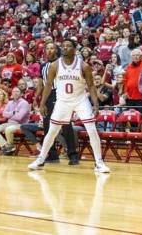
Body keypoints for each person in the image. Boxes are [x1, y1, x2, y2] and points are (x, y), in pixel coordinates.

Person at [29, 38, 111, 173]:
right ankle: (41, 159)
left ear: (74, 49)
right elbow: (48, 85)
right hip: (62, 101)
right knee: (52, 131)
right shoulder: (55, 65)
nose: (65, 48)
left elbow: (91, 85)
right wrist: (42, 103)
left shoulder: (83, 66)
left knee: (91, 128)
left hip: (80, 100)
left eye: (68, 46)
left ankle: (99, 163)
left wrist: (96, 104)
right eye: (64, 46)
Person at [34, 42, 79, 164]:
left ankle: (73, 155)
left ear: (56, 50)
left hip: (60, 94)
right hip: (47, 95)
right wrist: (36, 98)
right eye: (47, 48)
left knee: (65, 125)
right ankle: (52, 155)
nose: (49, 50)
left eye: (51, 48)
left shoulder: (62, 63)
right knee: (47, 126)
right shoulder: (43, 66)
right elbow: (41, 84)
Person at [0, 87, 30, 155]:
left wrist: (9, 114)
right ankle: (7, 146)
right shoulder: (10, 102)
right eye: (13, 92)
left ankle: (9, 147)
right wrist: (14, 112)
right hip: (9, 123)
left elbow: (19, 117)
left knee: (8, 129)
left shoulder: (24, 103)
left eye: (17, 91)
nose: (15, 93)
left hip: (20, 124)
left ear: (21, 94)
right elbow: (4, 114)